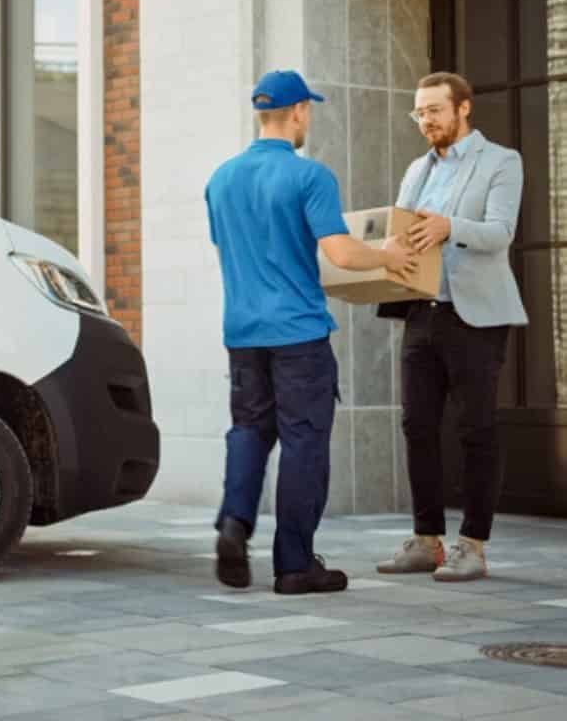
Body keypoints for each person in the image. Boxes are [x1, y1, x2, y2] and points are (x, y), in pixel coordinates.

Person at [207, 70, 416, 594]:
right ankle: (295, 565)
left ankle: (234, 524)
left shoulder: (221, 179)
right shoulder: (310, 176)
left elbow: (238, 250)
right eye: (309, 111)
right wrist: (388, 255)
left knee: (249, 430)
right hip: (298, 333)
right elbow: (341, 253)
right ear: (299, 111)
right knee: (303, 442)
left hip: (243, 333)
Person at [375, 72, 526, 583]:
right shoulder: (417, 169)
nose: (426, 121)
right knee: (417, 425)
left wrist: (449, 227)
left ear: (463, 108)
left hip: (476, 315)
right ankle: (427, 541)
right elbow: (403, 230)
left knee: (475, 428)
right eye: (419, 112)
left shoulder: (501, 161)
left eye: (434, 110)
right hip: (422, 310)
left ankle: (473, 545)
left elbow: (500, 233)